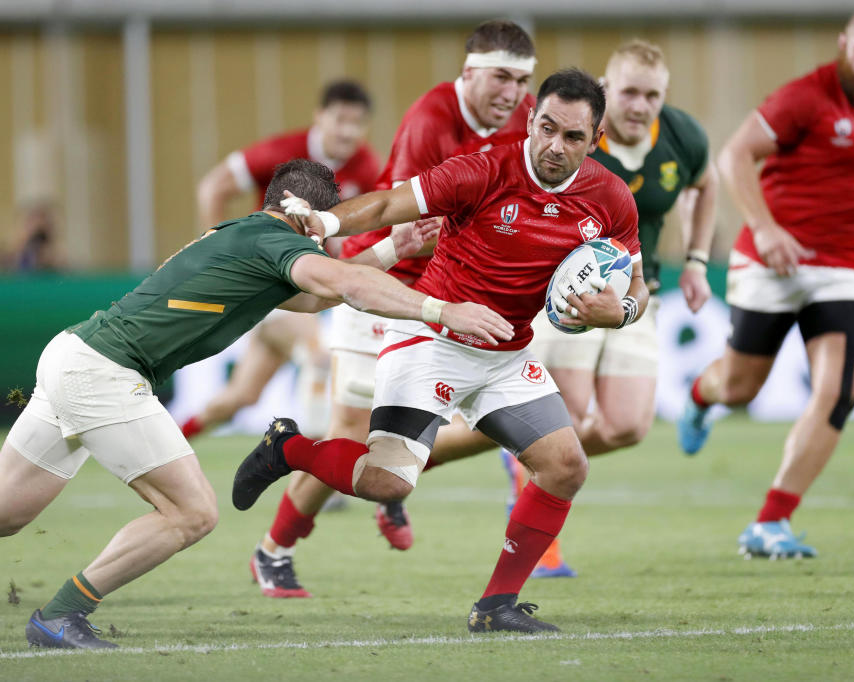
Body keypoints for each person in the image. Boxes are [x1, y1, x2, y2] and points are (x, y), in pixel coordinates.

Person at [0, 159, 511, 649]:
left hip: (72, 353)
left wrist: (391, 249)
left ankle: (61, 615)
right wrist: (442, 309)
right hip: (104, 373)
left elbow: (311, 297)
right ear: (305, 218)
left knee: (9, 511)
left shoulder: (238, 233)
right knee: (192, 512)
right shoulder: (275, 241)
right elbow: (344, 285)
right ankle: (63, 615)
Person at [232, 69, 648, 633]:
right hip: (433, 337)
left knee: (565, 467)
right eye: (546, 128)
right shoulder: (484, 170)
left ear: (595, 140)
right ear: (530, 120)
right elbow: (385, 207)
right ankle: (289, 448)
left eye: (572, 137)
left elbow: (636, 284)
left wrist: (619, 312)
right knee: (388, 482)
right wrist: (326, 219)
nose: (555, 146)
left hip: (506, 350)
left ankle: (495, 606)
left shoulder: (610, 197)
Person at [246, 19, 537, 597]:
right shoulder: (431, 121)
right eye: (501, 76)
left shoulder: (528, 119)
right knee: (351, 437)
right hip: (380, 285)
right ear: (469, 72)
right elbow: (414, 226)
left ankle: (391, 476)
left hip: (451, 296)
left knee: (497, 428)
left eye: (522, 79)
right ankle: (273, 550)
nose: (512, 92)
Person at [676, 6, 854, 559]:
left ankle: (771, 522)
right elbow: (735, 154)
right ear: (843, 45)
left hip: (845, 268)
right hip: (773, 263)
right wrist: (764, 230)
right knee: (741, 388)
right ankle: (700, 395)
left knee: (840, 390)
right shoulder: (804, 97)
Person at [485, 39, 719, 578]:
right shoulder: (573, 135)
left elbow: (708, 186)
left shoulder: (683, 136)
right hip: (566, 295)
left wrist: (699, 261)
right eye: (629, 92)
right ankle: (541, 535)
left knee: (628, 426)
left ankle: (524, 458)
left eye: (653, 95)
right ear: (606, 92)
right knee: (573, 415)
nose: (640, 105)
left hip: (637, 292)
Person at [180, 80, 380, 443]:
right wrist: (214, 243)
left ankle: (173, 439)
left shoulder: (365, 166)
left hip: (306, 292)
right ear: (320, 117)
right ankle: (315, 474)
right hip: (270, 281)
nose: (348, 131)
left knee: (242, 397)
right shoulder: (284, 152)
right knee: (320, 358)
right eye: (340, 119)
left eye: (357, 122)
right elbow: (213, 186)